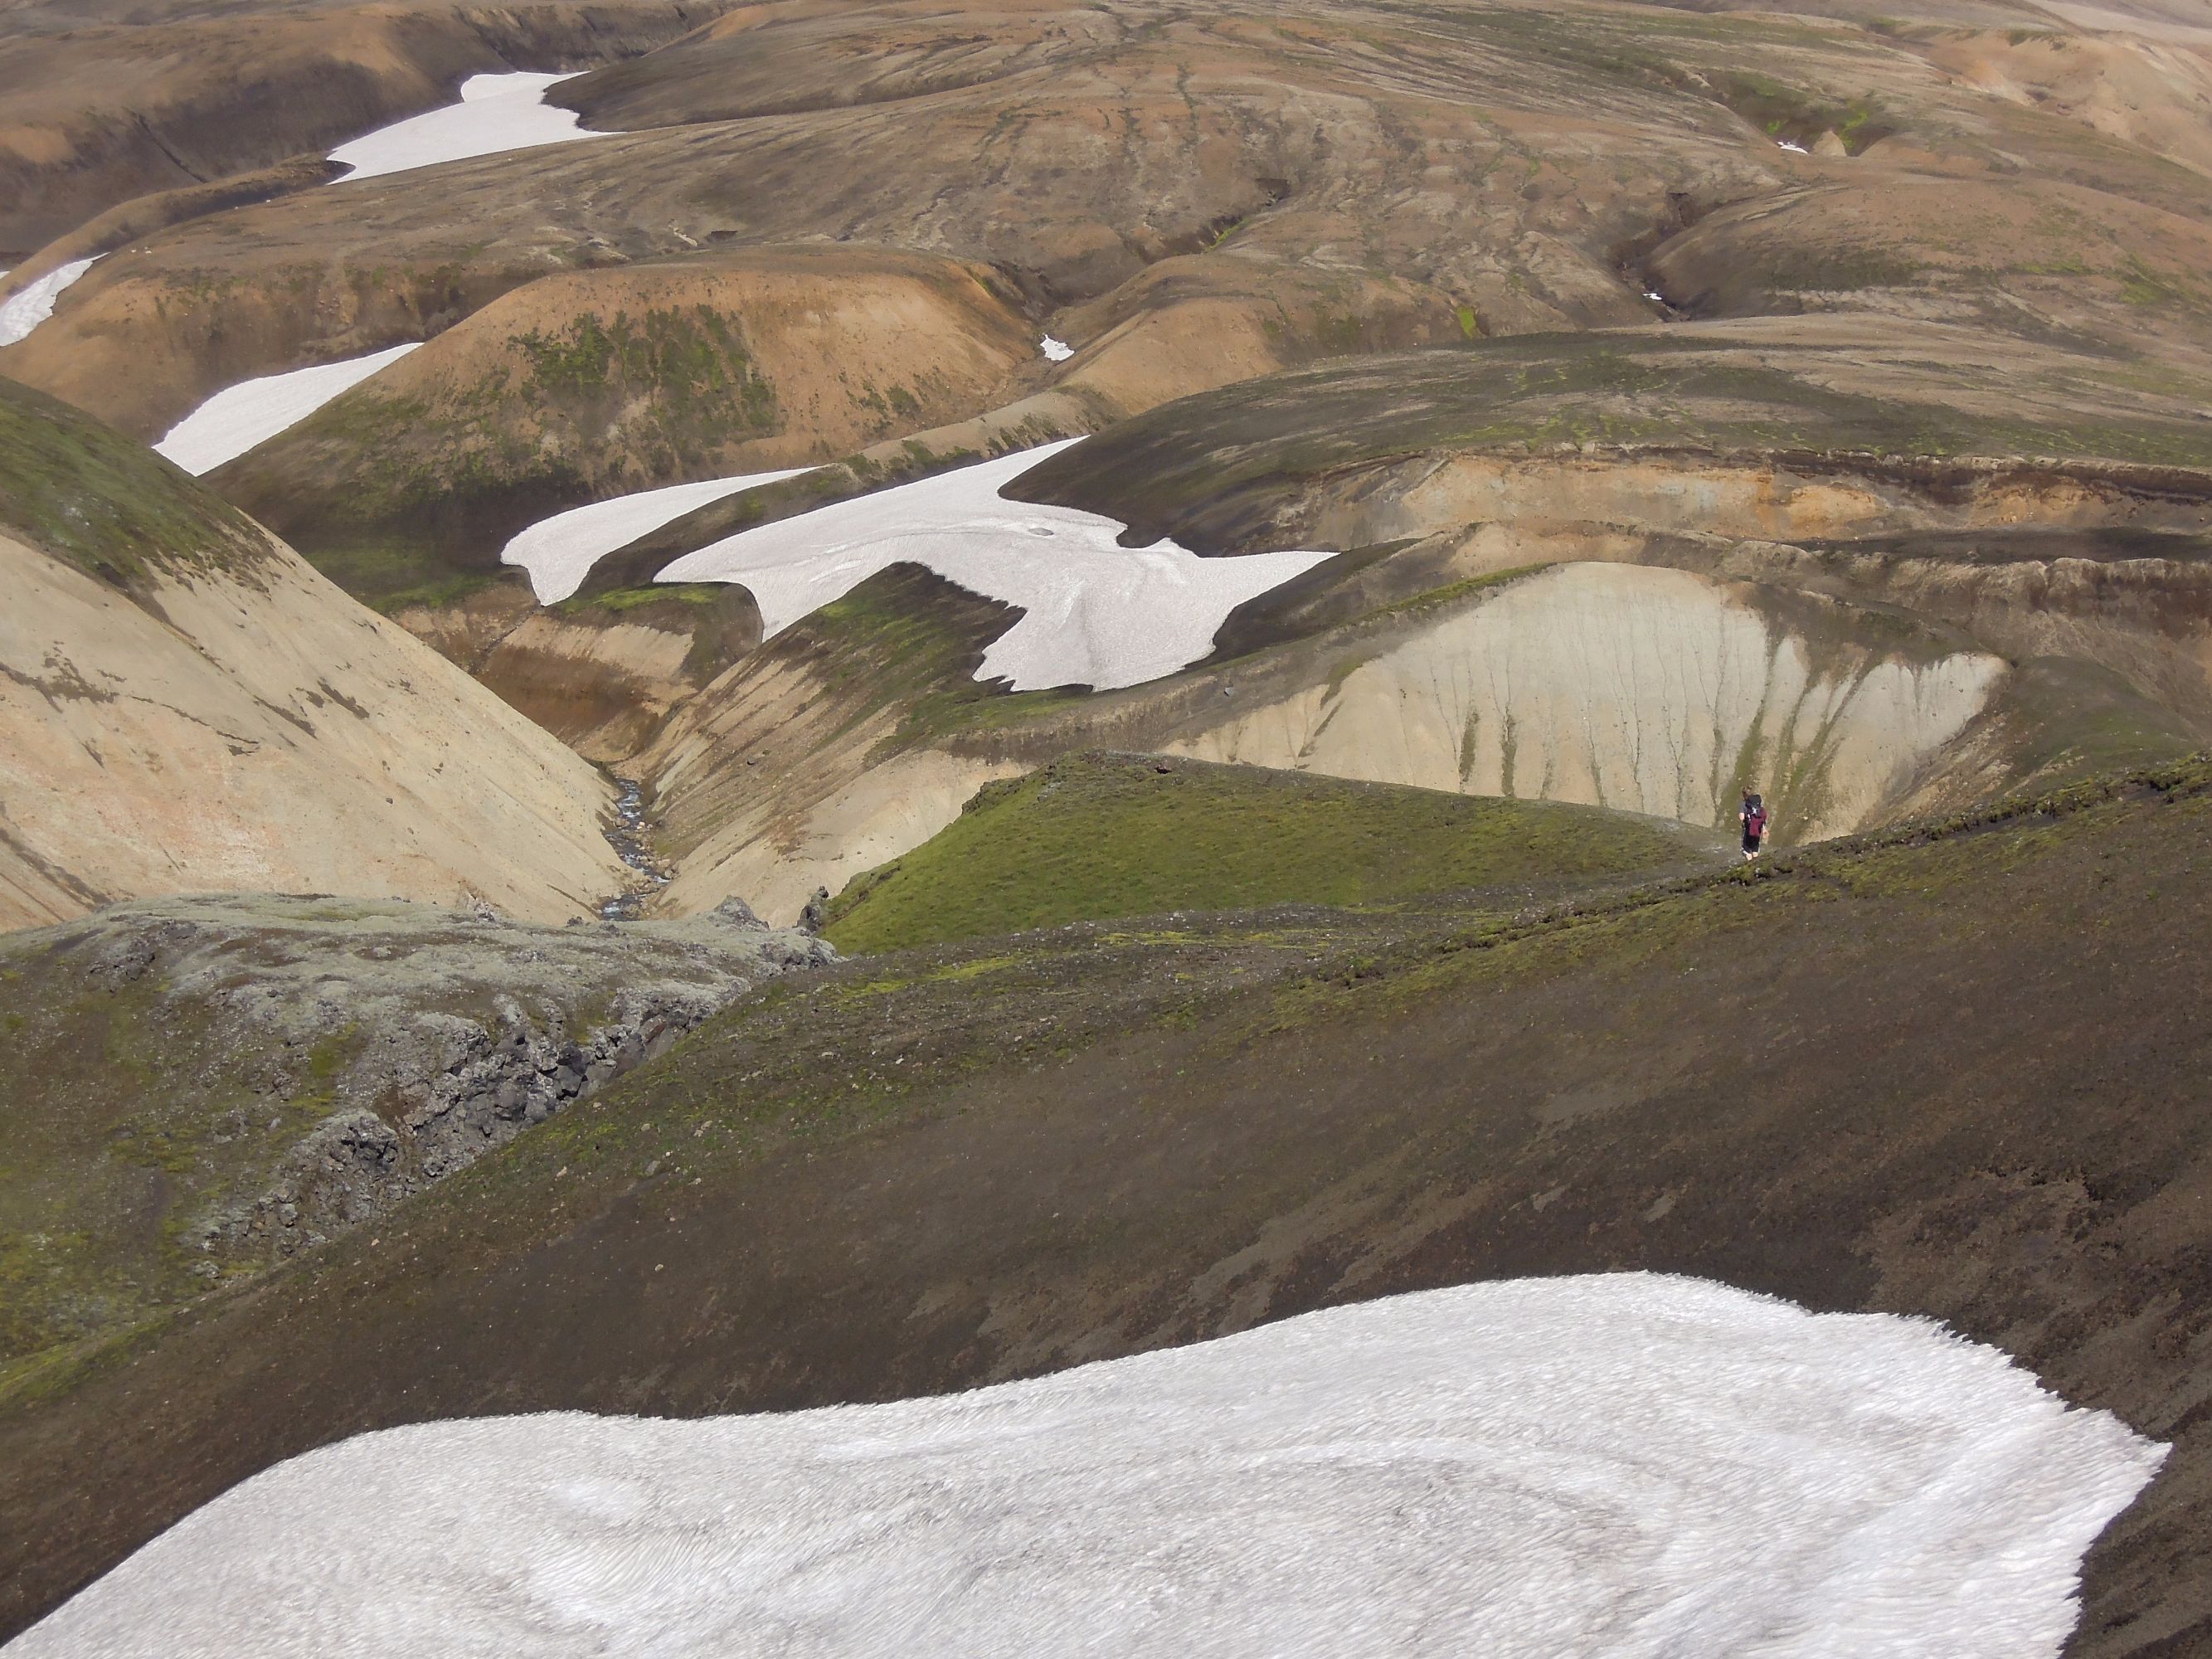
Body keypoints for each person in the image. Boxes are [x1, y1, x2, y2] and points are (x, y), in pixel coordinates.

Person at [1739, 788, 1768, 861]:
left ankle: (1750, 865)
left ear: (1744, 795)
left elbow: (1742, 818)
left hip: (1748, 830)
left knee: (1746, 850)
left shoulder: (1744, 804)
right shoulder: (1757, 804)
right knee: (1755, 850)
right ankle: (1756, 865)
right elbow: (1762, 817)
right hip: (1757, 830)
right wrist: (1764, 829)